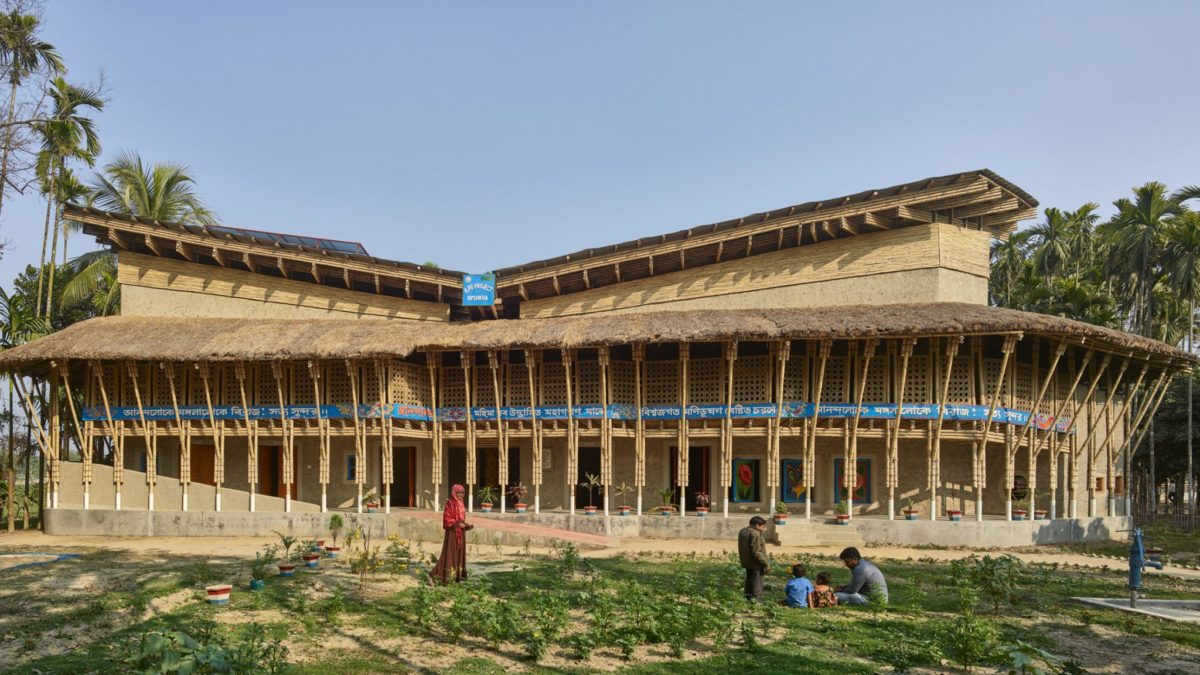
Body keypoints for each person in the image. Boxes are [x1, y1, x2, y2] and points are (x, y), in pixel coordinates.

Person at [430, 484, 473, 584]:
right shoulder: (450, 503)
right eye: (458, 492)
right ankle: (433, 575)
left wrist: (466, 526)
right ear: (454, 492)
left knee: (459, 554)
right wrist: (458, 524)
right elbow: (447, 519)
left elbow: (461, 519)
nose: (461, 494)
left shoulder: (461, 503)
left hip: (460, 533)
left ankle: (456, 576)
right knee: (449, 555)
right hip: (452, 533)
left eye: (462, 493)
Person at [737, 516, 770, 601]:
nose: (764, 528)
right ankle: (757, 601)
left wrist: (760, 533)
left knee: (749, 580)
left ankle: (748, 598)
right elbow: (756, 552)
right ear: (757, 525)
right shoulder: (755, 533)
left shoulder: (743, 531)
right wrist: (766, 563)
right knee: (757, 583)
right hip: (756, 563)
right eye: (762, 527)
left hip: (747, 561)